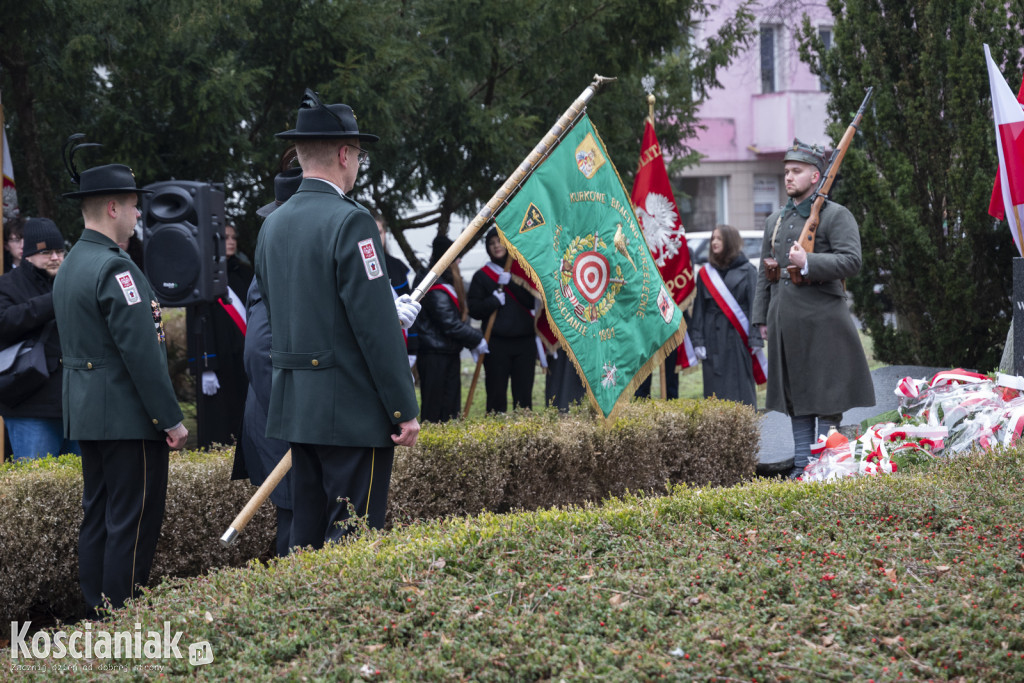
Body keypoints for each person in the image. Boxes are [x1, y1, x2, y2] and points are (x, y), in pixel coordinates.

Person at [255, 90, 420, 551]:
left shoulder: (273, 224)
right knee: (353, 540)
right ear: (345, 154)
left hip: (296, 408)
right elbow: (375, 328)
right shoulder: (352, 222)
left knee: (304, 537)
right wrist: (403, 408)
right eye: (359, 154)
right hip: (350, 410)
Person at [54, 145, 188, 614]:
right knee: (132, 520)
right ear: (112, 207)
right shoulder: (116, 266)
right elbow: (142, 354)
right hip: (128, 416)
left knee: (100, 514)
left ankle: (96, 608)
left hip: (89, 412)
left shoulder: (71, 263)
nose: (137, 213)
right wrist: (170, 419)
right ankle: (120, 615)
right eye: (133, 204)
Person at [751, 139, 874, 478]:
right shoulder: (775, 220)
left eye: (796, 171)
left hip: (823, 322)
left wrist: (809, 262)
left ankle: (826, 468)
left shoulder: (836, 215)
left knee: (826, 396)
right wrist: (760, 318)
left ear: (816, 175)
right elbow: (765, 272)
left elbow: (852, 261)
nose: (788, 177)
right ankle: (803, 467)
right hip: (785, 322)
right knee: (796, 398)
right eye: (786, 171)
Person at [234, 168, 303, 556]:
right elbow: (260, 353)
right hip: (283, 423)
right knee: (295, 532)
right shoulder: (271, 272)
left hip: (293, 421)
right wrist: (295, 414)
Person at [0, 217, 79, 459]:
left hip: (77, 408)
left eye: (59, 251)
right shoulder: (7, 285)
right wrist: (54, 298)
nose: (55, 258)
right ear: (28, 254)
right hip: (29, 406)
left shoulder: (75, 282)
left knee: (84, 490)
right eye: (46, 252)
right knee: (35, 492)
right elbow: (4, 323)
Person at [187, 222, 253, 449]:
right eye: (225, 237)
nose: (232, 242)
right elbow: (197, 323)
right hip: (218, 360)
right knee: (220, 423)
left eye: (234, 237)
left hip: (244, 357)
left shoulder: (244, 272)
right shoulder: (201, 276)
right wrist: (205, 366)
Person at [411, 234, 487, 422]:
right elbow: (450, 324)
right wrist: (477, 339)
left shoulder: (443, 283)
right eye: (457, 256)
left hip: (447, 353)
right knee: (435, 411)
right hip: (435, 355)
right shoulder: (434, 287)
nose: (460, 260)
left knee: (450, 411)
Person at [467, 227, 536, 412]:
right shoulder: (481, 276)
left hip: (524, 343)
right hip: (496, 344)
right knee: (496, 396)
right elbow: (474, 309)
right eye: (491, 243)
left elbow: (531, 302)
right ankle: (497, 437)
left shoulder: (522, 272)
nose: (496, 246)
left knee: (524, 398)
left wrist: (511, 283)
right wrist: (493, 301)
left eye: (499, 242)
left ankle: (525, 437)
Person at [690, 224, 759, 407]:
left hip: (738, 338)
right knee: (715, 391)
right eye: (713, 238)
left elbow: (755, 308)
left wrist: (756, 340)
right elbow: (699, 310)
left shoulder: (749, 270)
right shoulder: (705, 273)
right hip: (713, 338)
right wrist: (698, 340)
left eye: (719, 238)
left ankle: (744, 430)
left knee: (741, 389)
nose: (714, 242)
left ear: (730, 241)